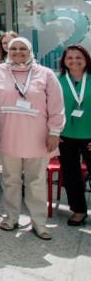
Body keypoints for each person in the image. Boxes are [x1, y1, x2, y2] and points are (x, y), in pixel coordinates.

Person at [0, 37, 64, 240]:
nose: (18, 52)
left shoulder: (45, 74)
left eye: (23, 48)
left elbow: (57, 106)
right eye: (13, 49)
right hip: (8, 134)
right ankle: (11, 217)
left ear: (30, 51)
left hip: (38, 137)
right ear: (7, 51)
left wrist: (55, 132)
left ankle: (39, 222)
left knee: (36, 181)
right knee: (10, 180)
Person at [58, 45, 91, 226]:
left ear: (86, 59)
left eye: (78, 57)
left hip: (89, 136)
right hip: (66, 136)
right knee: (71, 174)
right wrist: (54, 132)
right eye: (70, 58)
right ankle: (78, 210)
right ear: (64, 61)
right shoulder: (58, 80)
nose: (74, 61)